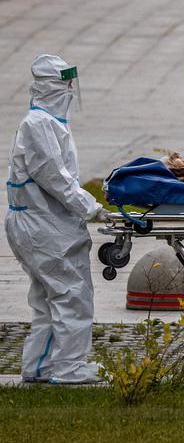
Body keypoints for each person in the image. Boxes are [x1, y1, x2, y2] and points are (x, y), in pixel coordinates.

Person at [4, 54, 111, 384]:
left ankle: (39, 366)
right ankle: (67, 367)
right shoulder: (39, 126)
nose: (69, 92)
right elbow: (55, 178)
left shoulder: (46, 124)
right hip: (45, 225)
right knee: (71, 295)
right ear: (53, 88)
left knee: (47, 299)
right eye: (65, 85)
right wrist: (92, 208)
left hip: (41, 223)